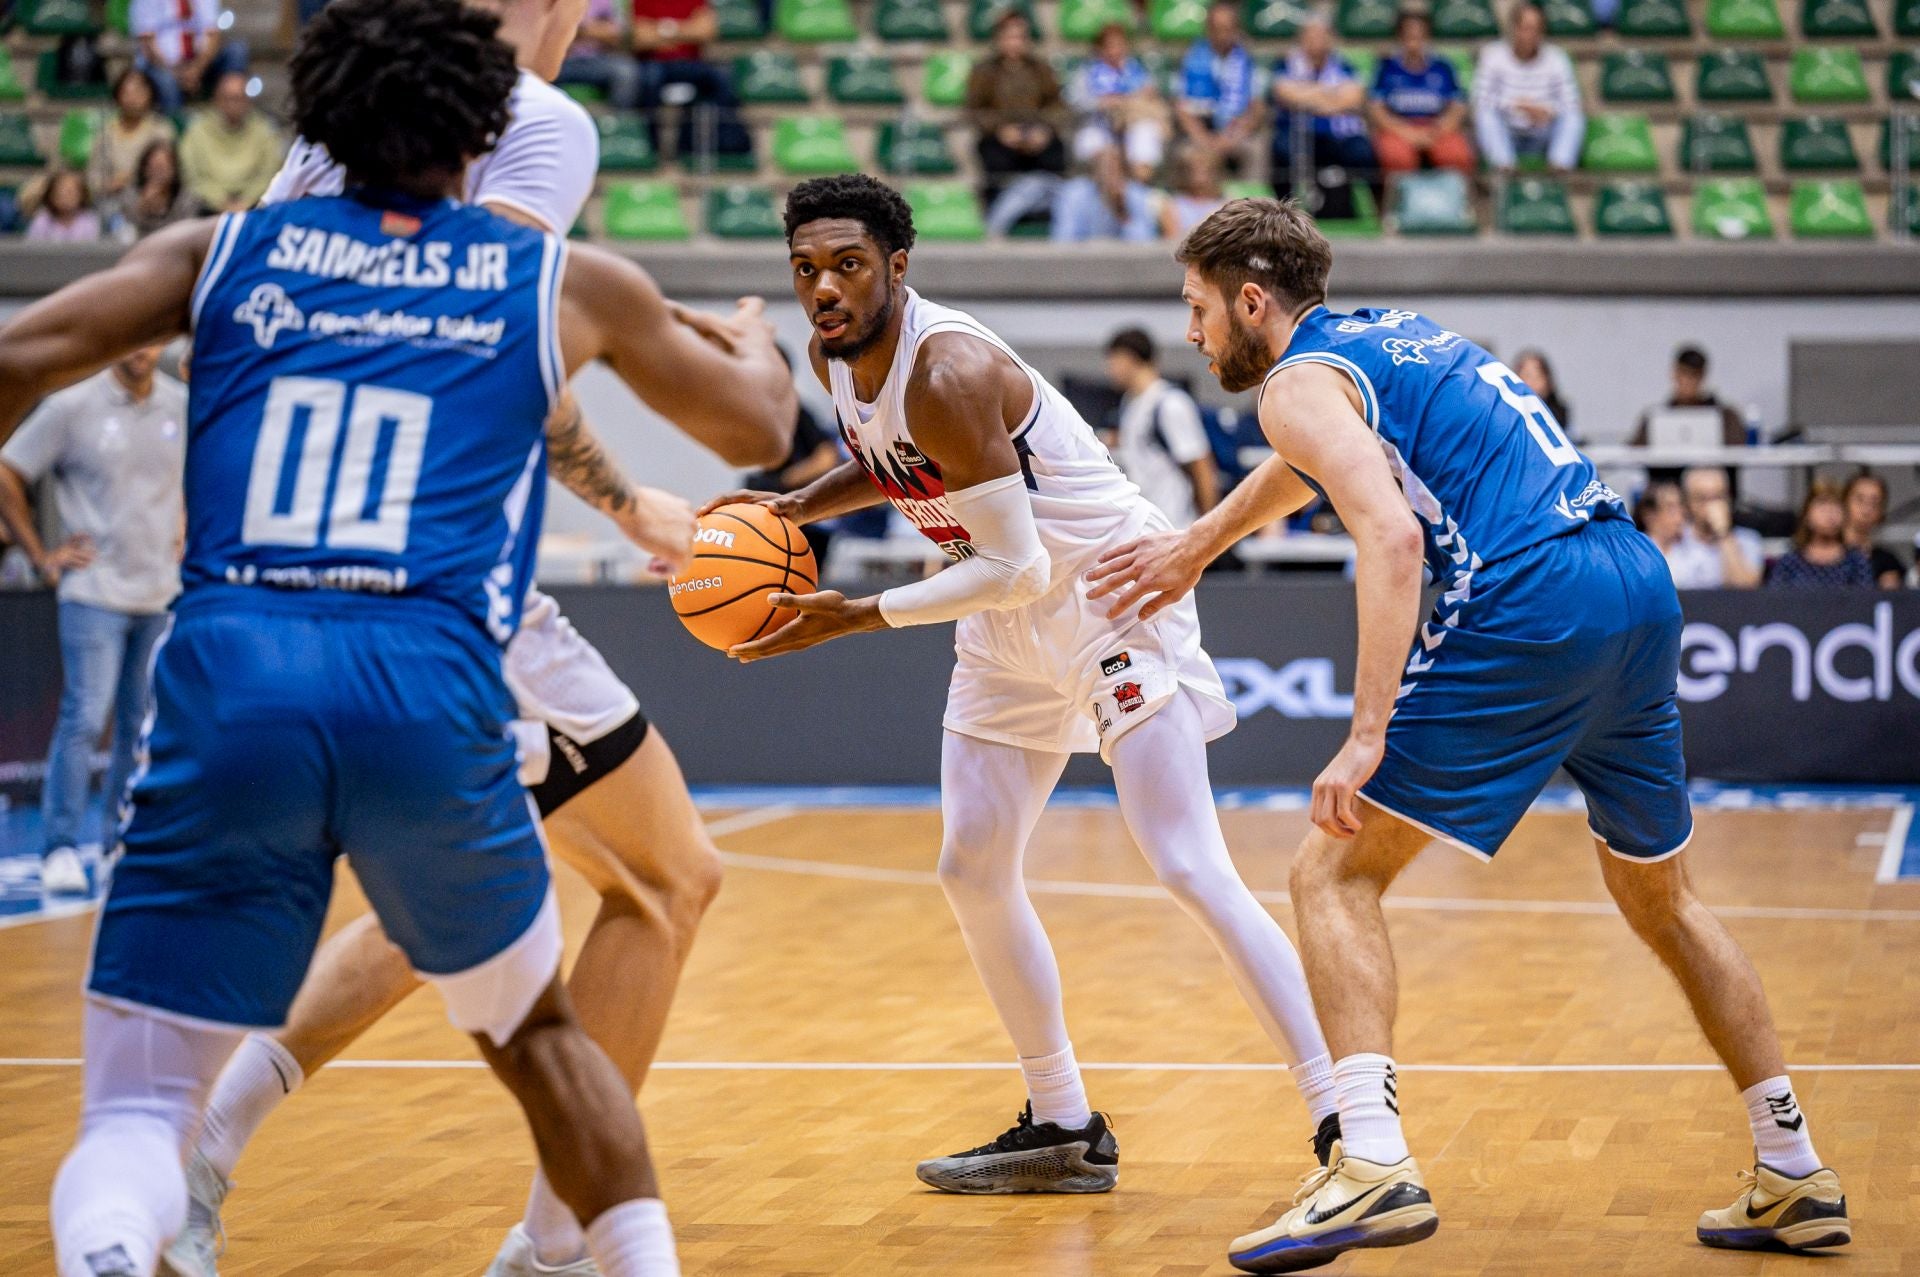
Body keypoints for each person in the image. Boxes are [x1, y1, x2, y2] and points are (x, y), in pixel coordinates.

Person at [0, 3, 795, 1275]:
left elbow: (23, 354)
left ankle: (165, 1184)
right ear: (484, 123)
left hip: (238, 646)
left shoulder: (229, 242)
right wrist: (719, 394)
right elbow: (694, 412)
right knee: (606, 928)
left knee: (150, 1088)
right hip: (437, 624)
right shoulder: (539, 177)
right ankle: (573, 1247)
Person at [1085, 199, 1849, 1272]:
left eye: (1199, 309)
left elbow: (1391, 537)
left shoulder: (1295, 384)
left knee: (1330, 873)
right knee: (1663, 899)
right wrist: (1201, 541)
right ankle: (1794, 1164)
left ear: (1252, 300)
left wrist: (1365, 731)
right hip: (1632, 580)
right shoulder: (1388, 338)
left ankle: (1374, 1159)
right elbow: (1315, 463)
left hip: (1528, 601)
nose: (1196, 333)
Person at [707, 173, 1340, 1202]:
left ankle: (1343, 1115)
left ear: (898, 266)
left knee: (1186, 860)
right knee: (971, 864)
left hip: (1106, 597)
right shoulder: (838, 354)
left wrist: (855, 615)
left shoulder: (950, 365)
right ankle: (1062, 1122)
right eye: (806, 269)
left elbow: (1021, 563)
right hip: (1002, 615)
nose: (824, 287)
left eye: (848, 265)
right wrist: (792, 506)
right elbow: (904, 464)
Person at [0, 346, 184, 898]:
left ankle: (118, 845)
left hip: (160, 592)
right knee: (84, 715)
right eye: (134, 337)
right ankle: (59, 846)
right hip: (94, 593)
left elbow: (203, 476)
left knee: (141, 725)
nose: (143, 349)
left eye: (155, 339)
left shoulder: (183, 404)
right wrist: (41, 555)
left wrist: (188, 530)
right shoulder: (69, 407)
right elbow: (8, 471)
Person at [1103, 327, 1219, 527]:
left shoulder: (1171, 403)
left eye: (1113, 361)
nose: (1109, 370)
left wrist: (1211, 526)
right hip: (1143, 522)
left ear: (1127, 359)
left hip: (1174, 522)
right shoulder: (1129, 404)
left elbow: (1201, 466)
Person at [966, 11, 1069, 236]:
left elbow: (1057, 106)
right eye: (1009, 36)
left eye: (1020, 37)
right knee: (994, 156)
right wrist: (1001, 130)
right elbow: (974, 110)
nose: (1015, 42)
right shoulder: (984, 71)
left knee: (1055, 152)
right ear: (999, 39)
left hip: (1036, 132)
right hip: (1001, 136)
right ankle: (1003, 209)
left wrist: (1043, 131)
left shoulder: (1041, 69)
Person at [1269, 14, 1378, 218]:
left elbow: (1353, 98)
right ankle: (1285, 213)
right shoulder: (1285, 64)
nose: (1316, 41)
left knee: (1362, 151)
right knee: (1282, 149)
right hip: (1296, 131)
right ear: (1301, 39)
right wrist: (1330, 95)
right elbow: (1285, 94)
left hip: (1337, 133)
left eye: (1321, 36)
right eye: (1310, 36)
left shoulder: (1344, 65)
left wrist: (1307, 96)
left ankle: (1367, 211)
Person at [629, 0, 750, 163]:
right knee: (649, 79)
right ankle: (650, 145)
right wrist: (685, 31)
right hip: (653, 63)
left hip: (689, 63)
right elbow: (640, 38)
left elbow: (706, 32)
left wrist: (662, 31)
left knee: (721, 78)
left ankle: (720, 141)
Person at [1472, 1, 1582, 173]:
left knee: (1573, 118)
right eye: (1526, 28)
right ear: (1514, 28)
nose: (1531, 35)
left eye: (1537, 29)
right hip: (1507, 131)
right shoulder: (1492, 55)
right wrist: (1516, 106)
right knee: (1485, 116)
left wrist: (1547, 111)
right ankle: (1504, 166)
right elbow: (1481, 100)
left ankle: (1559, 167)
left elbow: (1571, 102)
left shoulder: (1557, 58)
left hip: (1543, 131)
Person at [1368, 10, 1474, 174]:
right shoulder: (1386, 67)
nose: (1414, 40)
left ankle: (1459, 198)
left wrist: (1439, 130)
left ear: (1427, 37)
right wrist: (1405, 132)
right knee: (1396, 158)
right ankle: (1392, 199)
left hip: (1437, 128)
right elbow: (1376, 109)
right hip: (1398, 128)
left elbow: (1458, 107)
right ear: (1400, 37)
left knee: (1457, 156)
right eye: (1409, 35)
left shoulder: (1443, 67)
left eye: (1419, 35)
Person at [179, 72, 286, 214]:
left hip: (254, 207)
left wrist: (245, 202)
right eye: (228, 98)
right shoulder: (197, 131)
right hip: (207, 208)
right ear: (216, 99)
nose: (234, 104)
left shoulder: (264, 130)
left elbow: (270, 172)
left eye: (239, 98)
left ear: (248, 101)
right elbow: (192, 176)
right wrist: (221, 202)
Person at [1177, 0, 1261, 176]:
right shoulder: (1192, 57)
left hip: (1236, 130)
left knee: (1256, 150)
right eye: (1217, 29)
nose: (1222, 35)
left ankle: (1252, 202)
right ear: (1208, 30)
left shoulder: (1247, 59)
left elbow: (1257, 108)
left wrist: (1231, 138)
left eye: (1227, 29)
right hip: (1202, 128)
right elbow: (1182, 107)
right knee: (1188, 154)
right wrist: (1204, 139)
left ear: (1236, 29)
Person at [130, 0, 249, 114]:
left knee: (237, 50)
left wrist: (196, 69)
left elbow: (213, 36)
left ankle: (232, 113)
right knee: (167, 81)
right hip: (162, 65)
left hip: (201, 64)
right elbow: (147, 43)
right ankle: (176, 123)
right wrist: (176, 72)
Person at [88, 67, 177, 211]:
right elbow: (94, 175)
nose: (133, 98)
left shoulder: (161, 130)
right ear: (117, 96)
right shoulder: (105, 133)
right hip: (112, 201)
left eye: (139, 92)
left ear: (150, 95)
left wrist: (136, 183)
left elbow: (168, 172)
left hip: (152, 199)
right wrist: (107, 185)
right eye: (126, 93)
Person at [1769, 484, 1875, 587]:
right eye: (1822, 505)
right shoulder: (1789, 563)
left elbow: (1865, 600)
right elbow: (1775, 600)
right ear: (1806, 515)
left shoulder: (1856, 562)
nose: (1830, 513)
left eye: (1836, 507)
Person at [557, 0, 643, 109]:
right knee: (537, 72)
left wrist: (582, 31)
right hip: (562, 61)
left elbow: (616, 35)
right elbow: (554, 32)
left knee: (625, 71)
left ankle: (616, 122)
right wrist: (594, 30)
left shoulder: (605, 1)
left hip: (597, 59)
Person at [105, 139, 198, 241]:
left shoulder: (185, 200)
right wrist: (142, 208)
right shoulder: (130, 197)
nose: (158, 174)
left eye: (163, 168)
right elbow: (123, 230)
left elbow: (186, 231)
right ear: (144, 169)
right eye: (154, 167)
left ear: (174, 169)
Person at [1842, 472, 1906, 588]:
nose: (1867, 509)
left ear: (1882, 512)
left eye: (1875, 503)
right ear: (1844, 503)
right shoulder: (1825, 556)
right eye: (1860, 499)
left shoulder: (1888, 562)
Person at [1161, 146, 1226, 239]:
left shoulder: (1224, 204)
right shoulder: (1172, 206)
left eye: (1205, 167)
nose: (1199, 173)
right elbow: (1172, 241)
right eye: (1193, 168)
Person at [24, 169, 101, 242]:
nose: (65, 197)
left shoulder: (89, 221)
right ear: (51, 195)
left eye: (70, 193)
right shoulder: (42, 220)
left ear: (82, 195)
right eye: (60, 193)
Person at [1513, 347, 1571, 441]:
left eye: (1537, 376)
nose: (1533, 382)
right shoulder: (1511, 415)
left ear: (1547, 380)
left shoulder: (1558, 413)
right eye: (1528, 376)